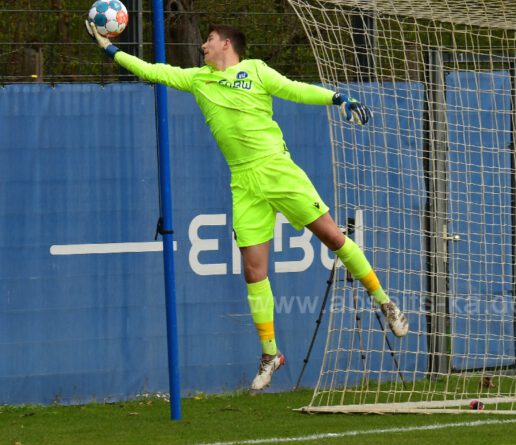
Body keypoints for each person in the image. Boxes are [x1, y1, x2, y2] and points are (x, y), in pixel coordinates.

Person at [84, 22, 409, 392]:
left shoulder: (255, 69)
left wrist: (337, 98)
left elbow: (295, 90)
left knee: (334, 237)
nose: (202, 45)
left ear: (225, 44)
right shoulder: (197, 79)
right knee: (254, 273)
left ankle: (385, 303)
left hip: (277, 170)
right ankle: (271, 354)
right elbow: (153, 71)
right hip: (243, 183)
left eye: (208, 40)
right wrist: (111, 50)